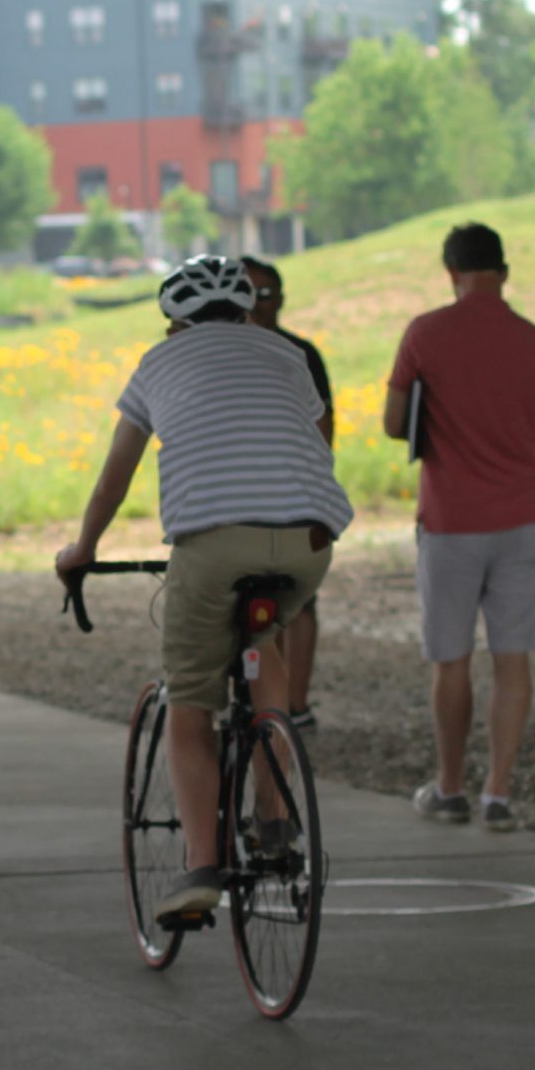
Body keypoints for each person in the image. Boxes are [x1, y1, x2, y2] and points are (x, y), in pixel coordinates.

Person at [56, 256, 352, 922]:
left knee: (191, 699)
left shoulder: (157, 364)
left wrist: (83, 550)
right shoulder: (287, 354)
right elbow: (311, 441)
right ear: (247, 311)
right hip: (308, 538)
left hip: (215, 540)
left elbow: (116, 475)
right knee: (264, 640)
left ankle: (200, 866)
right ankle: (274, 818)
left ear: (174, 324)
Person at [383, 222, 535, 833]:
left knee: (451, 659)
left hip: (451, 521)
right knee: (513, 657)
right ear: (504, 271)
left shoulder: (424, 334)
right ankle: (500, 793)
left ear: (450, 272)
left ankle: (451, 786)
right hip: (524, 520)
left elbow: (391, 422)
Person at [241, 256, 334, 733]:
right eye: (252, 294)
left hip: (293, 498)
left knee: (300, 604)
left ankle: (294, 704)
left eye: (269, 294)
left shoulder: (301, 354)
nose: (262, 305)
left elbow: (324, 429)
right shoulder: (227, 357)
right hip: (243, 501)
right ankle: (252, 698)